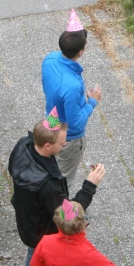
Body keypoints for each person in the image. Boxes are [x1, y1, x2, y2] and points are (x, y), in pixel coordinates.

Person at [8, 108, 106, 266]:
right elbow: (70, 215)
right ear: (47, 145)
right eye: (62, 144)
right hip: (40, 232)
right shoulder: (47, 185)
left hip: (27, 219)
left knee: (34, 265)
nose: (64, 145)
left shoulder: (23, 145)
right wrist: (90, 185)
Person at [42, 9, 102, 183]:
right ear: (81, 52)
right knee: (63, 180)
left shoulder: (50, 59)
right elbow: (75, 124)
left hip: (51, 122)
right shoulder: (72, 86)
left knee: (51, 166)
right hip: (68, 138)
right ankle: (58, 208)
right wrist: (92, 101)